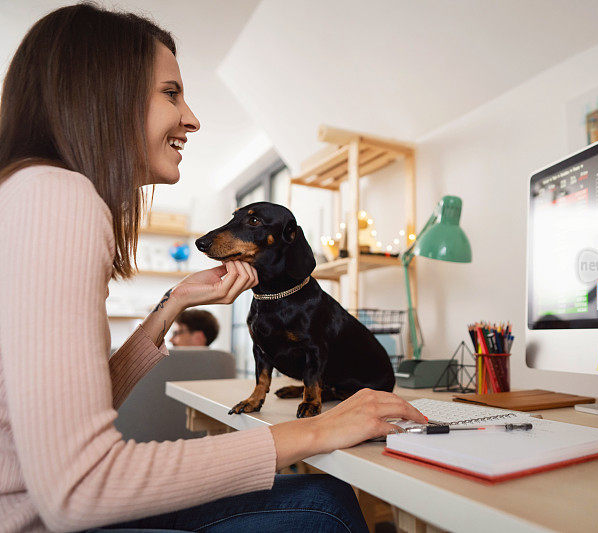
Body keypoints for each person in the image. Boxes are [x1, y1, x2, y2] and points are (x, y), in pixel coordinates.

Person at [0, 4, 426, 532]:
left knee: (320, 495)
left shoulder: (28, 194)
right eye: (170, 93)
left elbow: (61, 425)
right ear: (103, 93)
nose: (192, 118)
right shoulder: (59, 198)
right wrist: (317, 431)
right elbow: (82, 486)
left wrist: (173, 302)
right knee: (323, 507)